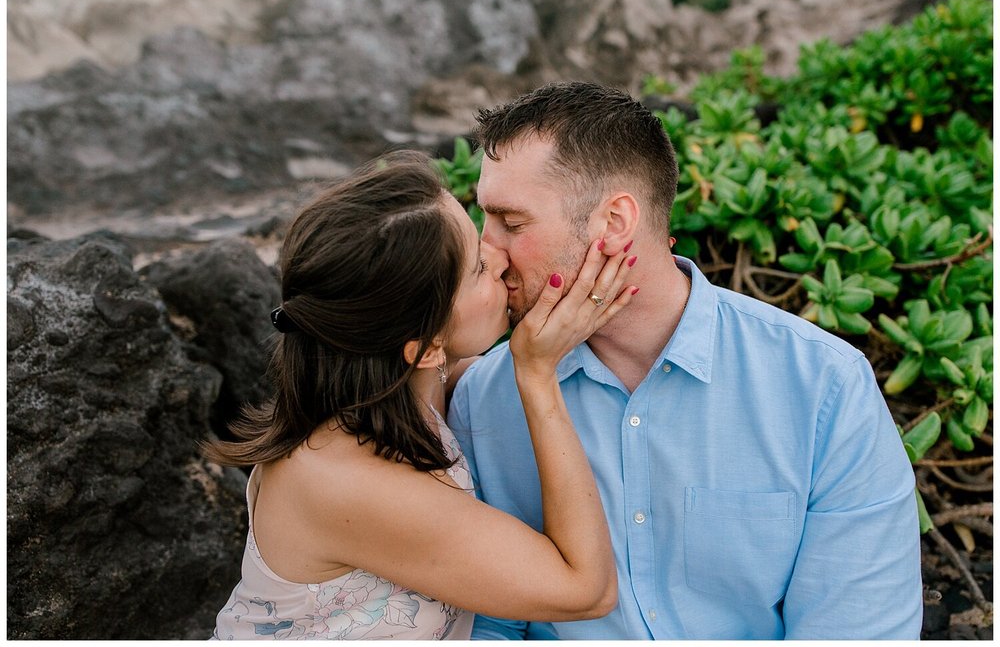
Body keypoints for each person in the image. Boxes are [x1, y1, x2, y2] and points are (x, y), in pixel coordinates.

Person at [448, 82, 924, 640]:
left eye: (512, 222)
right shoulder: (485, 401)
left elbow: (857, 630)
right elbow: (489, 624)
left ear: (615, 223)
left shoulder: (823, 388)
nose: (488, 249)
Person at [205, 150, 639, 640]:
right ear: (427, 345)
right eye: (476, 268)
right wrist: (536, 374)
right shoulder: (346, 479)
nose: (498, 256)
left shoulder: (400, 391)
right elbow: (585, 591)